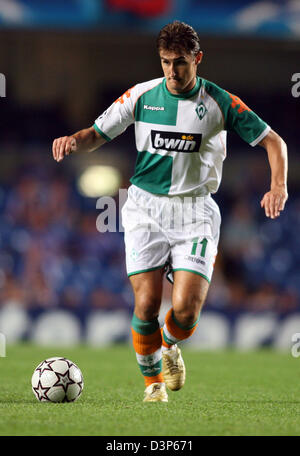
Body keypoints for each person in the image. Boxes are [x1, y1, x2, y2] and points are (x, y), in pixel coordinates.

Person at [52, 21, 288, 403]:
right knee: (146, 303)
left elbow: (273, 142)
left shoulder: (219, 103)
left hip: (195, 212)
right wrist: (72, 141)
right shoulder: (143, 96)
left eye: (180, 62)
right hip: (145, 208)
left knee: (186, 309)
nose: (172, 71)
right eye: (165, 62)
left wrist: (278, 186)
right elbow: (96, 134)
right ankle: (153, 386)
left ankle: (169, 345)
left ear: (197, 59)